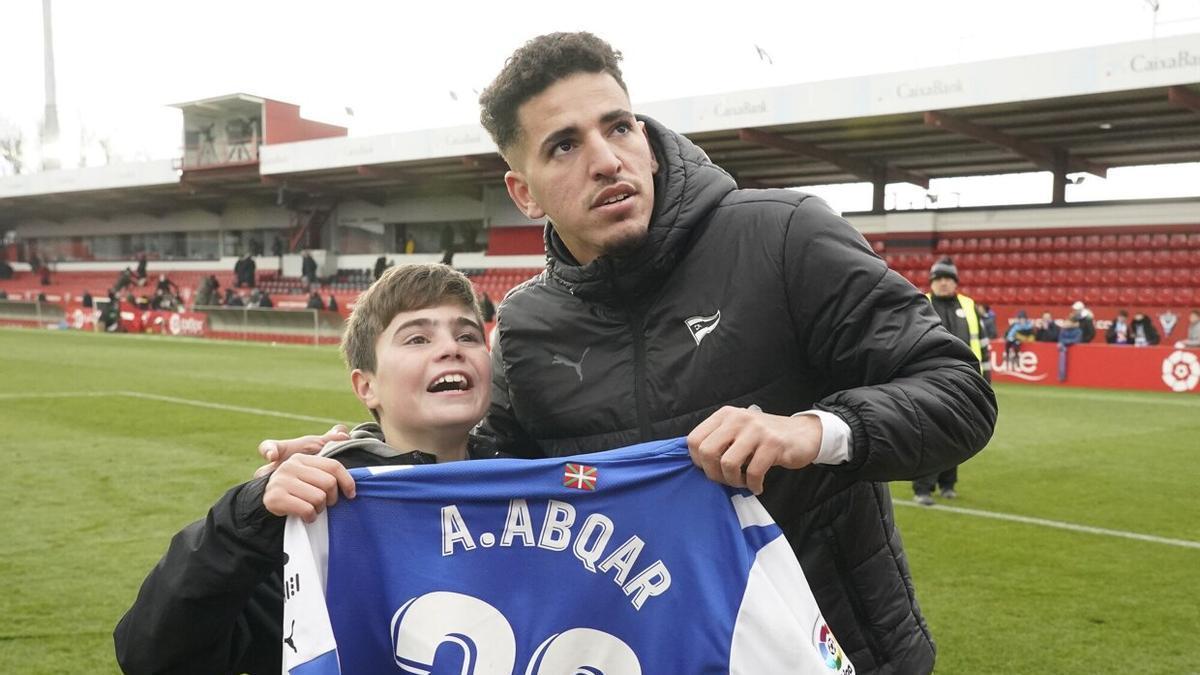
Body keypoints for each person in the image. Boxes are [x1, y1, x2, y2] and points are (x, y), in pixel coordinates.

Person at [267, 33, 995, 675]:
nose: (607, 159)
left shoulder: (782, 237)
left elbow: (959, 391)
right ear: (523, 192)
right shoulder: (526, 324)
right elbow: (485, 479)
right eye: (565, 145)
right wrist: (363, 455)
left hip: (840, 652)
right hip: (650, 651)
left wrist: (809, 431)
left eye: (618, 127)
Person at [114, 264, 497, 674]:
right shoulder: (318, 512)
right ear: (366, 386)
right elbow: (153, 656)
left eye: (468, 335)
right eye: (417, 338)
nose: (451, 348)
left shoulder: (532, 490)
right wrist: (247, 519)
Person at [911, 256, 989, 506]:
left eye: (948, 279)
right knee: (929, 435)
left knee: (956, 434)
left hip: (965, 381)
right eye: (939, 279)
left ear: (955, 282)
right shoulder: (920, 304)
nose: (944, 283)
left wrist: (985, 379)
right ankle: (923, 488)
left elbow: (983, 345)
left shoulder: (969, 306)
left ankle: (948, 484)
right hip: (929, 379)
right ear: (932, 282)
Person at [1057, 315, 1084, 382]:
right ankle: (1061, 376)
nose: (1067, 323)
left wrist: (1065, 342)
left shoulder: (1078, 331)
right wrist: (1064, 343)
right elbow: (1060, 339)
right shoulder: (1063, 330)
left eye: (1070, 322)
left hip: (1077, 353)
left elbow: (1076, 340)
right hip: (1063, 350)